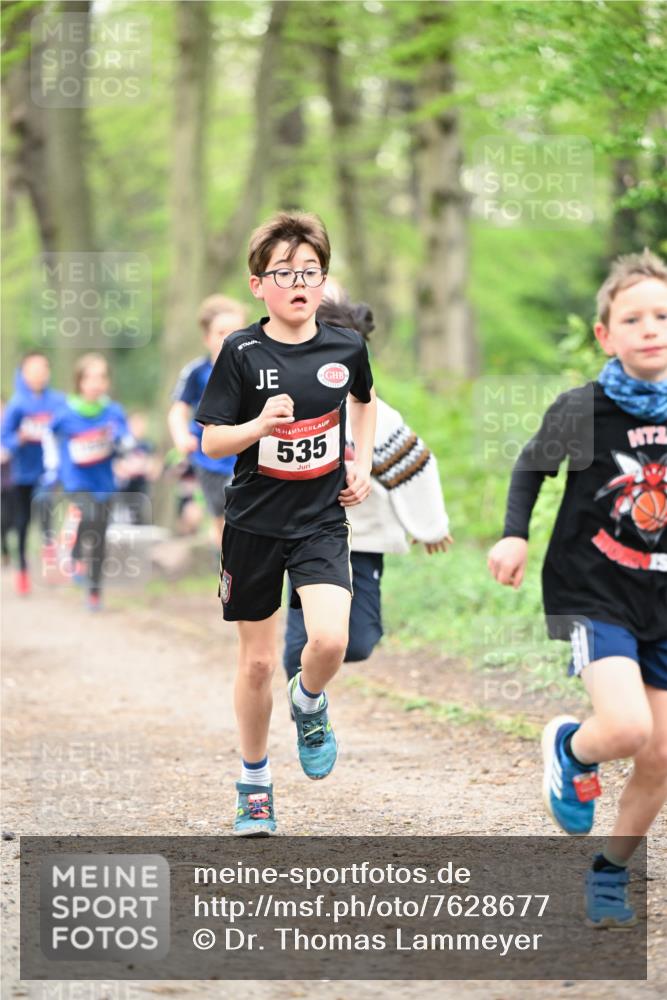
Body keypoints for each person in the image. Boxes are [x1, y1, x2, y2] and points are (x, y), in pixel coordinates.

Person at [488, 249, 667, 928]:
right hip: (593, 589)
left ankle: (610, 871)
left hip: (661, 596)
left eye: (661, 317)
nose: (649, 329)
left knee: (658, 755)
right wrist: (514, 536)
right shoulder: (584, 409)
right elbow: (531, 467)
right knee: (626, 727)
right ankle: (571, 747)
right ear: (605, 335)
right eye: (633, 319)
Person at [196, 211, 376, 836]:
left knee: (330, 641)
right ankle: (254, 784)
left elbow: (365, 402)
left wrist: (361, 461)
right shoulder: (240, 352)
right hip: (253, 523)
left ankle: (309, 699)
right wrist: (258, 426)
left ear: (323, 281)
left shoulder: (346, 347)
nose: (299, 283)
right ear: (258, 285)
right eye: (285, 273)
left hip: (321, 519)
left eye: (310, 271)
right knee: (256, 664)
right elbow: (213, 442)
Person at [283, 293, 452, 679]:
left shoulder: (381, 417)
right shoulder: (290, 406)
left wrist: (430, 526)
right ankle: (304, 695)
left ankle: (312, 671)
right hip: (305, 539)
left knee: (358, 641)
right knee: (302, 640)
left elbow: (414, 466)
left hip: (362, 541)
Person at [50, 353, 132, 610]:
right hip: (76, 480)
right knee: (89, 514)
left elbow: (126, 439)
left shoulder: (113, 411)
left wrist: (121, 442)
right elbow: (49, 437)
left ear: (107, 382)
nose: (96, 383)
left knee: (99, 535)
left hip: (104, 481)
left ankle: (94, 591)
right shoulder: (66, 413)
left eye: (101, 378)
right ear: (80, 382)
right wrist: (51, 468)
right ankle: (75, 550)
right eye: (90, 378)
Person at [169, 295, 248, 546]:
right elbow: (178, 410)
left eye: (236, 332)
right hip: (209, 460)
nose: (229, 338)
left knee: (242, 511)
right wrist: (182, 437)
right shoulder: (196, 372)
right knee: (220, 520)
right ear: (207, 338)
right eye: (221, 332)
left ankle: (248, 559)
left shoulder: (256, 369)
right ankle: (225, 562)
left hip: (245, 455)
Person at [0, 352, 64, 594]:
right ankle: (23, 571)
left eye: (42, 369)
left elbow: (68, 428)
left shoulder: (58, 401)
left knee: (46, 510)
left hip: (47, 472)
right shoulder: (17, 404)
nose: (38, 374)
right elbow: (4, 438)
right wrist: (19, 439)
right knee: (22, 522)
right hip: (22, 474)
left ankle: (51, 559)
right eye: (33, 370)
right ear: (24, 374)